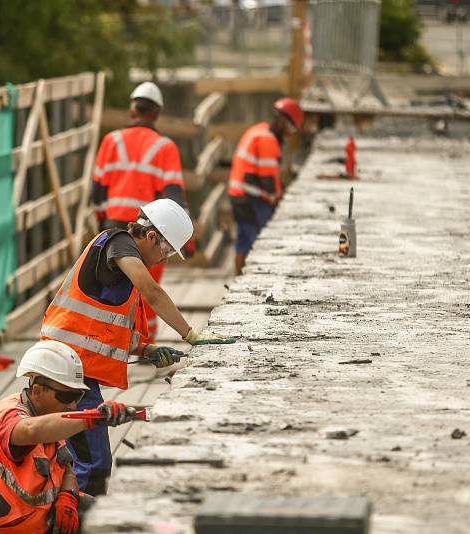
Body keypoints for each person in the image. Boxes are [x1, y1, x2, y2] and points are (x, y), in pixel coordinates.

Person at [40, 198, 235, 496]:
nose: (165, 259)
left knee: (84, 462)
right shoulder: (117, 244)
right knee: (93, 465)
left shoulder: (122, 265)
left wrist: (146, 350)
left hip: (72, 369)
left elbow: (106, 329)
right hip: (63, 372)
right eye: (167, 250)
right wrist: (190, 334)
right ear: (151, 237)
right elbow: (153, 293)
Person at [0, 341, 133, 534]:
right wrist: (91, 419)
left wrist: (68, 496)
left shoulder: (49, 420)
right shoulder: (10, 416)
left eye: (78, 397)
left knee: (95, 512)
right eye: (66, 397)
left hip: (28, 524)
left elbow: (66, 469)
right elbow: (30, 430)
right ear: (38, 391)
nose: (73, 406)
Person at [90, 81, 191, 343]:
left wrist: (102, 225)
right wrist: (184, 238)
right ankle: (146, 345)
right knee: (148, 288)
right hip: (150, 229)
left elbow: (97, 192)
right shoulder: (165, 147)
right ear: (157, 113)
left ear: (132, 110)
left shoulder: (111, 141)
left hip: (114, 225)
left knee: (112, 288)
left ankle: (113, 342)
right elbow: (174, 196)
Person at [228, 97, 304, 275]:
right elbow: (268, 182)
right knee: (263, 240)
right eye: (290, 128)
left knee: (243, 242)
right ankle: (249, 278)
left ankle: (238, 279)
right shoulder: (268, 141)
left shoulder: (258, 130)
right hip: (249, 197)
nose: (289, 134)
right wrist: (280, 199)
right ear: (282, 121)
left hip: (239, 194)